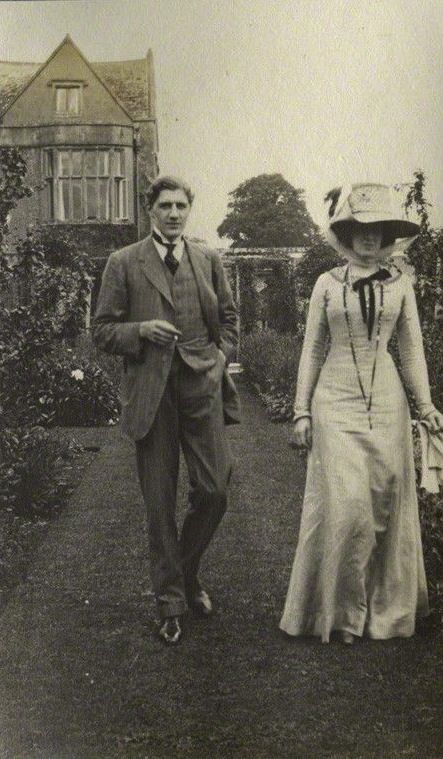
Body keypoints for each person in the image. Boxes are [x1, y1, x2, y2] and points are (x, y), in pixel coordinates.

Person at [280, 183, 443, 644]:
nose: (369, 238)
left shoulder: (402, 285)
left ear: (389, 235)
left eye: (379, 229)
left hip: (387, 402)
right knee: (347, 506)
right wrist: (300, 411)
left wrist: (426, 406)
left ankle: (382, 613)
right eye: (360, 229)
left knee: (384, 501)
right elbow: (312, 349)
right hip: (334, 401)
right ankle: (341, 616)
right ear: (347, 234)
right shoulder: (326, 285)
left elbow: (411, 351)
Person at [93, 175, 240, 645]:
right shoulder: (123, 263)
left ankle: (186, 570)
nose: (174, 214)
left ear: (188, 211)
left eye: (181, 206)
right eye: (165, 206)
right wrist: (140, 331)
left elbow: (230, 321)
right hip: (152, 397)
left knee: (215, 490)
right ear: (150, 209)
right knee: (159, 504)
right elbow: (101, 331)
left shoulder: (208, 259)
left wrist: (220, 360)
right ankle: (172, 602)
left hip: (201, 389)